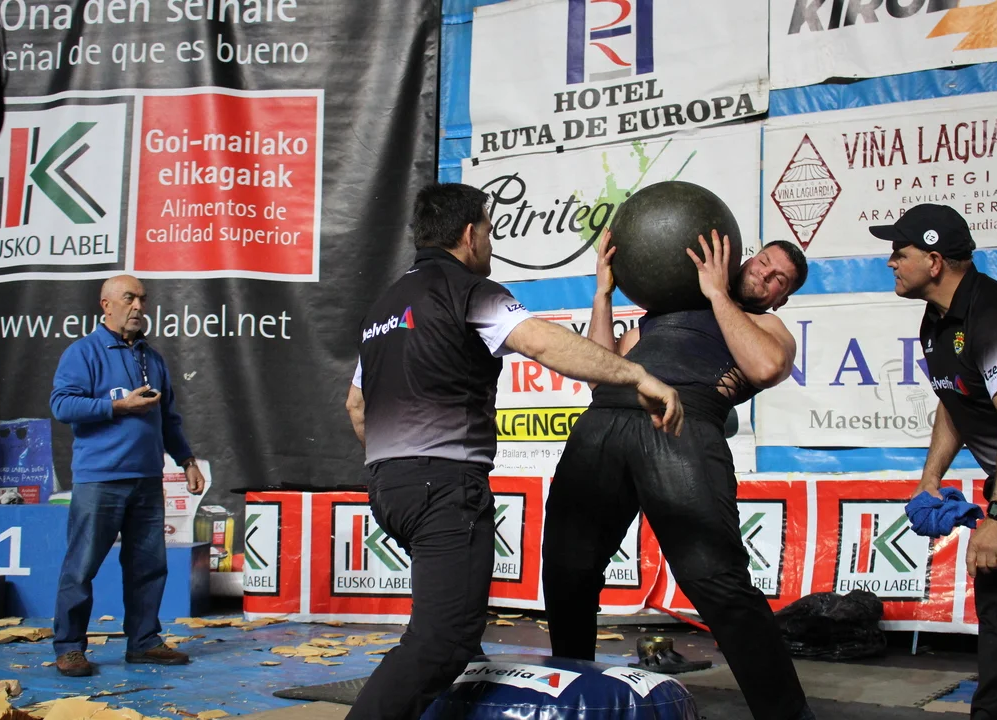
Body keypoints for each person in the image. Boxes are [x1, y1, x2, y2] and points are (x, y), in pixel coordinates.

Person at [343, 182, 683, 720]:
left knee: (459, 636)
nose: (491, 243)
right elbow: (543, 342)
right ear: (468, 234)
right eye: (488, 231)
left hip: (390, 488)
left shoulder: (384, 306)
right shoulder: (466, 289)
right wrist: (636, 374)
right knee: (443, 642)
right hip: (441, 487)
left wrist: (400, 466)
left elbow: (357, 406)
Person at [542, 230, 815, 720]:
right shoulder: (664, 313)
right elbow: (601, 372)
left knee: (716, 579)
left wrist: (717, 294)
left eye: (779, 279)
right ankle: (577, 701)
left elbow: (767, 366)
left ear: (782, 298)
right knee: (567, 569)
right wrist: (603, 293)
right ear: (747, 258)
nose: (765, 274)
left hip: (680, 425)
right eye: (764, 261)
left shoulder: (767, 327)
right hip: (604, 421)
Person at [873, 204, 997, 720]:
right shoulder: (938, 319)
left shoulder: (996, 317)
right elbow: (954, 398)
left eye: (900, 252)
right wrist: (930, 479)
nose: (891, 262)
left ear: (934, 260)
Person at [49, 275, 204, 677]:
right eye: (129, 298)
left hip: (147, 480)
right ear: (106, 305)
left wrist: (186, 460)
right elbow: (62, 405)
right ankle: (69, 647)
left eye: (142, 299)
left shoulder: (152, 359)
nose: (138, 306)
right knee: (81, 568)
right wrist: (118, 406)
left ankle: (144, 642)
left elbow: (168, 418)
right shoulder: (83, 352)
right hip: (100, 480)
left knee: (148, 567)